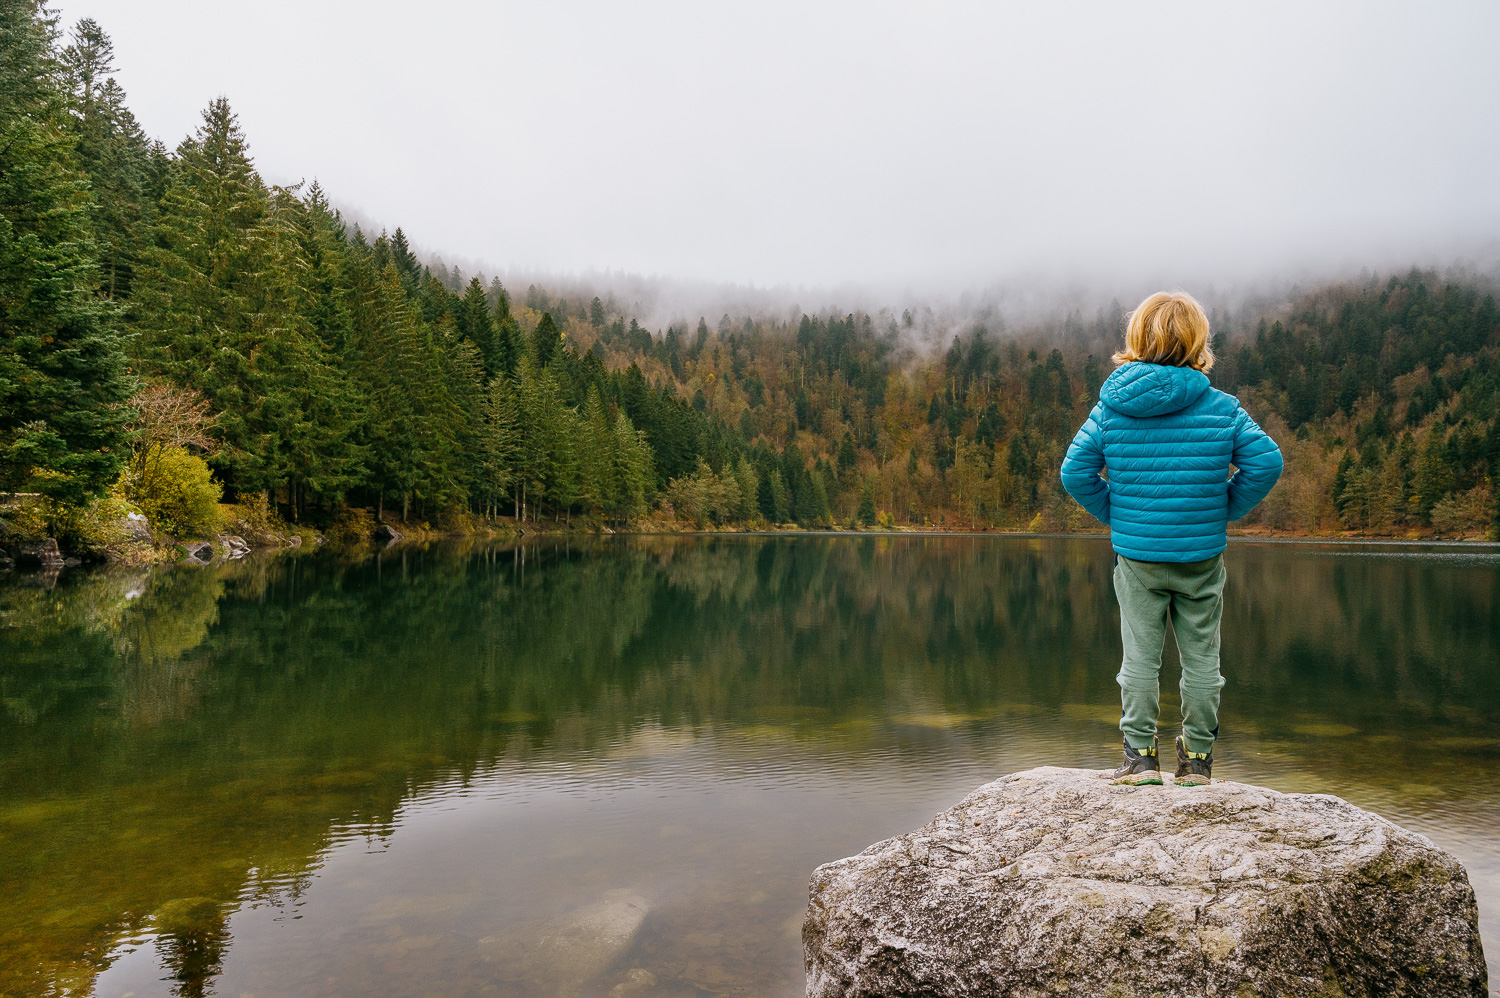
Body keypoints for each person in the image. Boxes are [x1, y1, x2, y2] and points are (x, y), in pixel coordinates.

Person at [1061, 291, 1282, 787]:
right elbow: (1267, 462)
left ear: (1136, 337)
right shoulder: (1221, 407)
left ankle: (1140, 758)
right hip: (1200, 556)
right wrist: (1223, 507)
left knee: (1139, 657)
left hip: (1137, 556)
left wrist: (1120, 515)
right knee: (1203, 658)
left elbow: (1075, 473)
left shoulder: (1111, 407)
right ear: (1198, 342)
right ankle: (1197, 762)